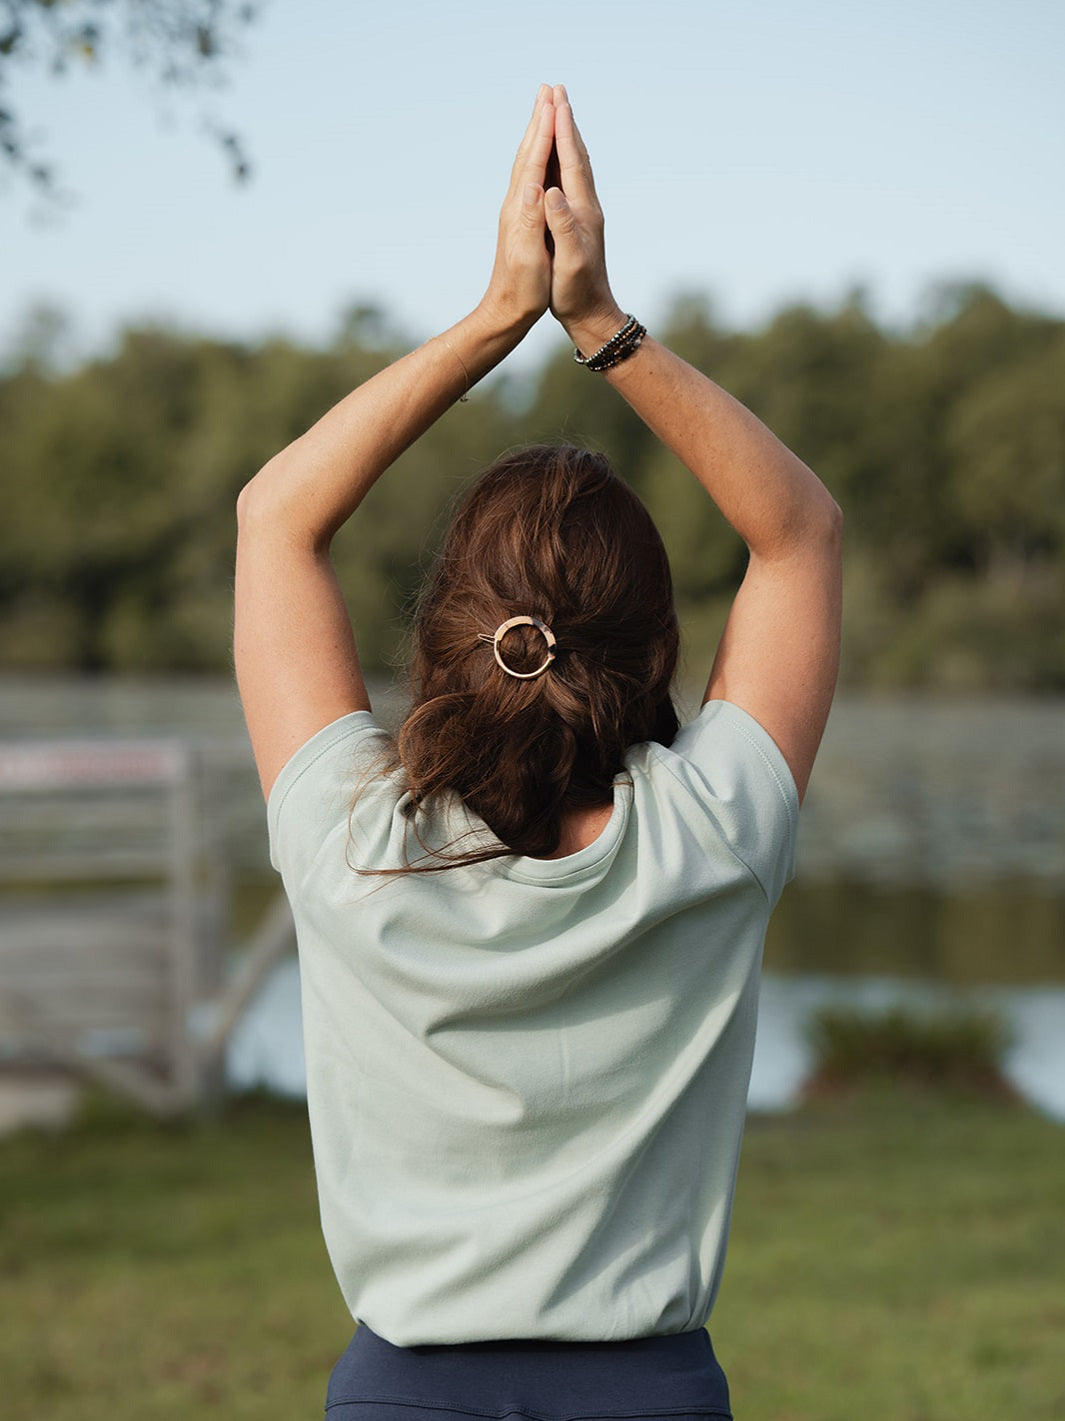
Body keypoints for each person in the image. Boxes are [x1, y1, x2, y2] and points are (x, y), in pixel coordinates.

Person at [235, 84, 842, 1421]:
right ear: (655, 647)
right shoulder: (714, 830)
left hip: (400, 1396)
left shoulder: (354, 842)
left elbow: (275, 520)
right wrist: (598, 324)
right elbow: (798, 531)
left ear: (444, 632)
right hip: (651, 1392)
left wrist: (497, 313)